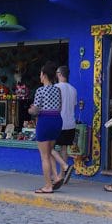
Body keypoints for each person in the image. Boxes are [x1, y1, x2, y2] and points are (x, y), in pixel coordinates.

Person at [29, 61, 62, 194]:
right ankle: (56, 177)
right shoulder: (57, 89)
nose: (40, 76)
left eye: (40, 74)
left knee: (44, 156)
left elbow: (36, 110)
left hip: (45, 120)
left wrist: (30, 110)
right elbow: (59, 107)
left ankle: (48, 185)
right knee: (50, 152)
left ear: (44, 75)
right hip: (57, 120)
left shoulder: (40, 90)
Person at [50, 65, 77, 190]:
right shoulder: (73, 89)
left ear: (60, 74)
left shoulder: (55, 88)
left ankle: (62, 168)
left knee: (48, 148)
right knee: (64, 148)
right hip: (70, 123)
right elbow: (74, 106)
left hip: (58, 122)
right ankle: (62, 175)